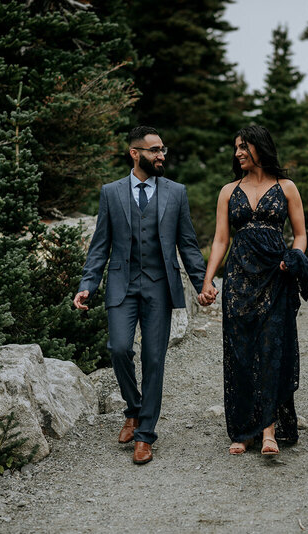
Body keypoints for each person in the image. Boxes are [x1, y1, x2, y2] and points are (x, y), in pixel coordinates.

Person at [74, 126, 209, 465]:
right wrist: (86, 284)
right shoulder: (111, 192)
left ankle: (145, 434)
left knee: (153, 359)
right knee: (118, 349)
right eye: (154, 150)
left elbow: (188, 243)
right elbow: (99, 245)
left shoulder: (176, 193)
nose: (161, 155)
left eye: (163, 149)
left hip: (159, 286)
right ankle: (133, 409)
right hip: (123, 283)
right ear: (135, 153)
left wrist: (202, 282)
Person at [199, 125, 308, 456]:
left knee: (270, 350)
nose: (237, 153)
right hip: (238, 278)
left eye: (243, 147)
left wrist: (293, 258)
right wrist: (210, 280)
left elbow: (301, 234)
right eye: (236, 148)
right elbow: (221, 239)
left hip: (275, 276)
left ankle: (268, 431)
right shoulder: (228, 190)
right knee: (240, 351)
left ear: (259, 148)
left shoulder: (286, 187)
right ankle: (242, 430)